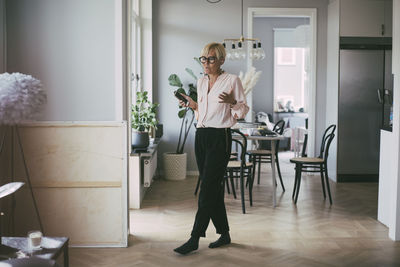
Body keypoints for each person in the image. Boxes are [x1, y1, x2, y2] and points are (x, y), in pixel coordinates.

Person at [173, 42, 249, 255]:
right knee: (212, 188)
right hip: (202, 136)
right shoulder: (200, 81)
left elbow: (242, 110)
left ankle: (194, 238)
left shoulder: (232, 80)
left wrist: (233, 101)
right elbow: (203, 112)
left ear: (222, 60)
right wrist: (192, 105)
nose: (206, 63)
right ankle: (224, 233)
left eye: (211, 59)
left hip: (220, 137)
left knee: (207, 188)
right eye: (203, 59)